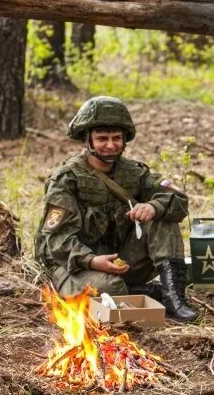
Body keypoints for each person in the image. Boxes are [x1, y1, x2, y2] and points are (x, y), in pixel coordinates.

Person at [34, 96, 197, 322]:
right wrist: (91, 260)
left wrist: (153, 206)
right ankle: (146, 293)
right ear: (87, 140)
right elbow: (57, 241)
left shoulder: (133, 172)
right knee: (110, 288)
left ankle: (174, 299)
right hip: (77, 265)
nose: (110, 145)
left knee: (162, 216)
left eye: (116, 138)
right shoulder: (67, 179)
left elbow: (178, 198)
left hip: (121, 260)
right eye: (102, 139)